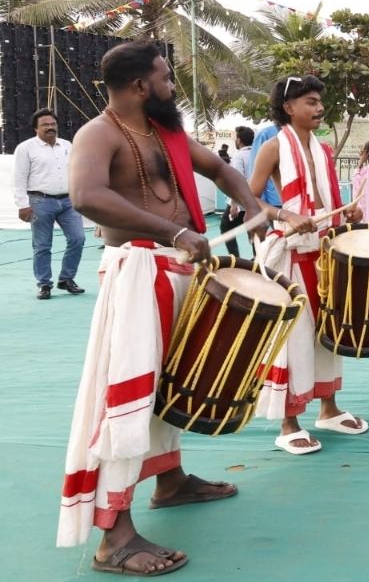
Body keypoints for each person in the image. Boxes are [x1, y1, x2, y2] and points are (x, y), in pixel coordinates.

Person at [58, 41, 264, 576]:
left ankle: (169, 482)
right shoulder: (97, 133)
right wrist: (174, 230)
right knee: (128, 398)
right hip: (136, 276)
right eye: (166, 78)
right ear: (139, 86)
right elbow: (86, 196)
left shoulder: (166, 132)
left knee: (166, 385)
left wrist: (253, 203)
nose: (173, 87)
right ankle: (114, 537)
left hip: (176, 272)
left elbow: (219, 169)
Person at [248, 75, 368, 454]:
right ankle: (288, 422)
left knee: (327, 330)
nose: (319, 108)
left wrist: (347, 211)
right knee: (294, 338)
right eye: (311, 102)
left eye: (319, 102)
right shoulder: (270, 146)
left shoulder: (323, 149)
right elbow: (249, 204)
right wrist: (285, 214)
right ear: (289, 108)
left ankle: (328, 409)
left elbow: (322, 198)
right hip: (290, 252)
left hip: (325, 249)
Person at [13, 108, 86, 299]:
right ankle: (44, 284)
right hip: (39, 201)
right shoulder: (25, 148)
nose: (50, 127)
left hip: (68, 201)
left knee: (78, 239)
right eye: (45, 125)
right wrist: (22, 205)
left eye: (53, 124)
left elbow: (76, 172)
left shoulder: (67, 146)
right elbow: (19, 179)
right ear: (36, 128)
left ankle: (67, 279)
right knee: (42, 245)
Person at [218, 126, 255, 256]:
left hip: (240, 201)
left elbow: (238, 180)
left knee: (226, 228)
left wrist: (233, 203)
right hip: (256, 200)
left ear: (239, 140)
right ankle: (258, 259)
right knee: (253, 230)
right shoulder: (258, 153)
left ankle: (235, 259)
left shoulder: (239, 156)